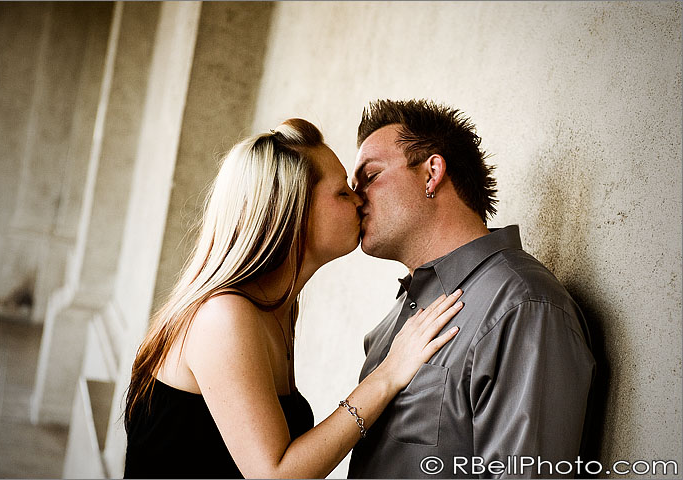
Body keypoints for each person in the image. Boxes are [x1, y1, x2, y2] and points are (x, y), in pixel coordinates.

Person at [123, 118, 464, 478]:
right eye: (342, 192)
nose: (359, 198)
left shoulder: (279, 309)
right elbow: (275, 474)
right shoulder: (224, 315)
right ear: (294, 209)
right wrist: (389, 374)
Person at [347, 99, 596, 479]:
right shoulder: (390, 326)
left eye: (371, 176)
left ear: (432, 173)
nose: (355, 196)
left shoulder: (521, 305)